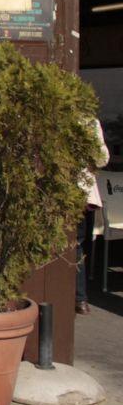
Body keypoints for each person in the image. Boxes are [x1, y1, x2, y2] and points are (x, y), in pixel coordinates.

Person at [77, 117, 111, 315]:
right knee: (77, 245)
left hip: (82, 193)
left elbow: (101, 158)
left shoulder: (89, 121)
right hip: (71, 191)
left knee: (79, 244)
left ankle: (80, 298)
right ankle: (79, 299)